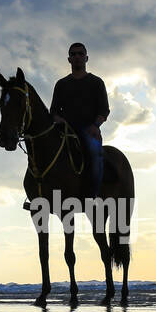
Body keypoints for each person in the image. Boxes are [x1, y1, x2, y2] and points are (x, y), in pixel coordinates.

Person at [49, 42, 109, 200]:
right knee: (44, 152)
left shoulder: (96, 82)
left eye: (80, 54)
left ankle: (93, 196)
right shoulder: (61, 84)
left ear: (86, 58)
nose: (77, 57)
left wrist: (96, 125)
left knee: (95, 156)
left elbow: (104, 110)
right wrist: (59, 121)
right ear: (69, 59)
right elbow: (53, 111)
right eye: (73, 54)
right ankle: (38, 193)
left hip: (89, 130)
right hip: (66, 131)